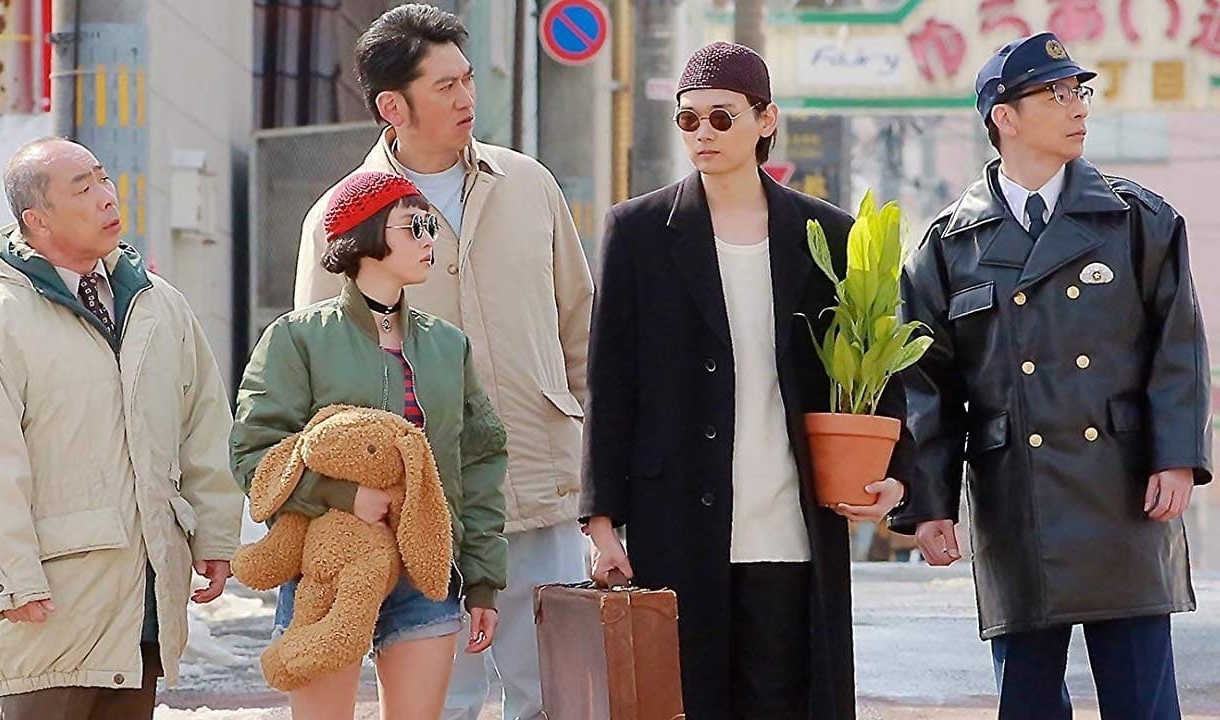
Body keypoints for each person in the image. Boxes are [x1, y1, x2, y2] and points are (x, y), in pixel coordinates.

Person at [582, 42, 910, 720]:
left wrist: (896, 474)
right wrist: (601, 518)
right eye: (688, 119)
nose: (703, 133)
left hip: (791, 520)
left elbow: (877, 362)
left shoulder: (828, 234)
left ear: (766, 120)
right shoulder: (637, 232)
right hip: (674, 517)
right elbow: (610, 382)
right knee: (684, 700)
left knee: (784, 700)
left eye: (722, 117)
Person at [892, 32, 1211, 720]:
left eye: (1079, 91)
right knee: (1027, 703)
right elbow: (927, 386)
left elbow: (1179, 347)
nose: (1078, 106)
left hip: (1125, 492)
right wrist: (929, 502)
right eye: (1056, 94)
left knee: (1143, 702)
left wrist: (1178, 457)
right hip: (1017, 500)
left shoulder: (1139, 221)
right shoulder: (946, 245)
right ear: (1004, 117)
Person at [292, 6, 593, 718]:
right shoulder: (340, 217)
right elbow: (319, 373)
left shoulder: (529, 185)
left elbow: (581, 330)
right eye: (444, 86)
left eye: (467, 80)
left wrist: (599, 470)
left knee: (560, 695)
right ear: (392, 107)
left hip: (540, 477)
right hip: (419, 503)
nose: (466, 98)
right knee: (438, 704)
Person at [0, 137, 242, 720]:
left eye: (103, 179)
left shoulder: (158, 305)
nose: (107, 196)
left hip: (143, 609)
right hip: (49, 610)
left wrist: (214, 535)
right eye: (83, 188)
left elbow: (203, 424)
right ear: (37, 219)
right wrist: (8, 580)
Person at [233, 171, 509, 720]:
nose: (430, 239)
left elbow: (477, 463)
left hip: (424, 571)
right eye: (414, 227)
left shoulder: (448, 346)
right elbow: (254, 454)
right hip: (325, 567)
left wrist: (482, 580)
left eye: (432, 226)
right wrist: (342, 496)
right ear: (364, 236)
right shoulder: (297, 337)